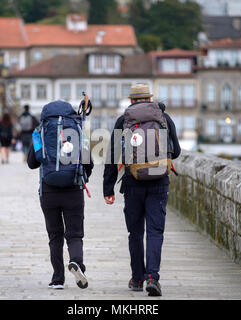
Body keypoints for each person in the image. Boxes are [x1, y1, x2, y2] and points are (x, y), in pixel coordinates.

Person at [103, 83, 181, 296]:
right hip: (159, 183)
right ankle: (152, 278)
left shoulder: (124, 120)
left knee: (135, 233)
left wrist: (107, 188)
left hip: (133, 183)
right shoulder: (164, 118)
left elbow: (112, 156)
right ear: (149, 98)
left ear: (131, 101)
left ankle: (137, 279)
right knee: (155, 231)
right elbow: (177, 151)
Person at [27, 100, 93, 290]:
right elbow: (88, 160)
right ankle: (76, 262)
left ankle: (57, 279)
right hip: (73, 187)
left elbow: (32, 163)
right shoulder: (77, 128)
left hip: (48, 190)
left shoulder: (41, 130)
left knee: (55, 235)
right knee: (74, 234)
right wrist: (83, 174)